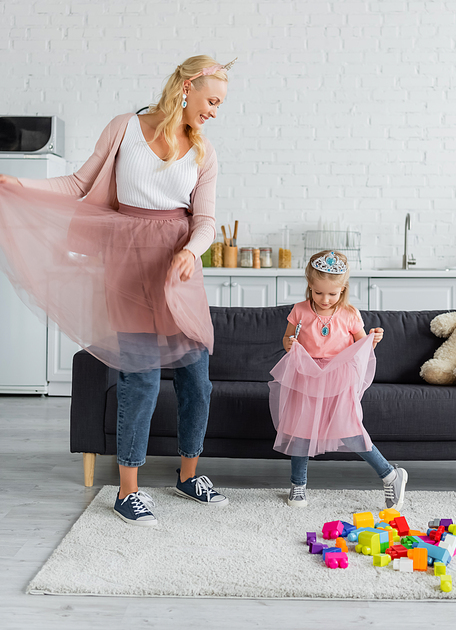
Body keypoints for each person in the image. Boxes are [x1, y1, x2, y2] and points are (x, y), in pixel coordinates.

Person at [0, 55, 237, 525]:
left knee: (197, 379)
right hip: (127, 263)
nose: (215, 111)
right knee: (140, 378)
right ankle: (128, 491)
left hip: (178, 266)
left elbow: (206, 220)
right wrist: (15, 183)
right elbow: (78, 183)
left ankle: (189, 476)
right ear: (187, 87)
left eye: (220, 104)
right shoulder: (124, 128)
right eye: (212, 100)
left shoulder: (204, 153)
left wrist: (193, 250)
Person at [268, 250, 408, 509]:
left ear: (342, 290)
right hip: (307, 376)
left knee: (351, 430)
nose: (325, 299)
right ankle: (298, 484)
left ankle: (390, 474)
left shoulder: (349, 314)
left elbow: (361, 348)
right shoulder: (299, 311)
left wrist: (372, 340)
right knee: (301, 432)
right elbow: (287, 340)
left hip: (338, 378)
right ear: (310, 286)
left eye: (332, 294)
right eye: (318, 292)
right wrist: (290, 343)